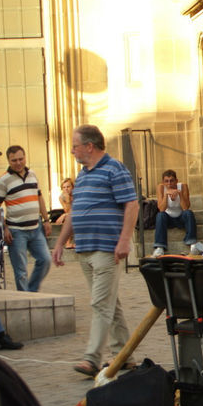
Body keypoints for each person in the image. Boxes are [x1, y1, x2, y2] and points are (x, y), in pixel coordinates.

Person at [51, 125, 137, 377]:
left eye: (75, 145)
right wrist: (59, 243)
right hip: (85, 249)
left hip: (106, 248)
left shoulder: (115, 169)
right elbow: (74, 213)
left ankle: (92, 358)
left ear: (89, 146)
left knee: (100, 303)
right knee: (110, 303)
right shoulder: (83, 175)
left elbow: (131, 205)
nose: (72, 150)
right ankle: (126, 355)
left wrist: (124, 240)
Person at [0, 146, 52, 301]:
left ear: (25, 157)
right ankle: (25, 299)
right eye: (14, 160)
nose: (18, 163)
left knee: (45, 260)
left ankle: (31, 292)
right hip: (16, 230)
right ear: (9, 160)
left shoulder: (32, 175)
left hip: (35, 227)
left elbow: (39, 198)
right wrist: (4, 228)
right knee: (20, 270)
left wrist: (46, 220)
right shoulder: (3, 180)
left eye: (21, 159)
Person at [151, 169, 199, 256]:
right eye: (166, 181)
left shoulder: (183, 186)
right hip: (167, 219)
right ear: (163, 182)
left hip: (181, 217)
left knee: (189, 213)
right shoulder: (161, 188)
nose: (169, 184)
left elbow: (185, 207)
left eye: (171, 181)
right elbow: (161, 209)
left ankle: (192, 244)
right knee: (160, 215)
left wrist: (179, 194)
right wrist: (166, 195)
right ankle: (160, 247)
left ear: (176, 181)